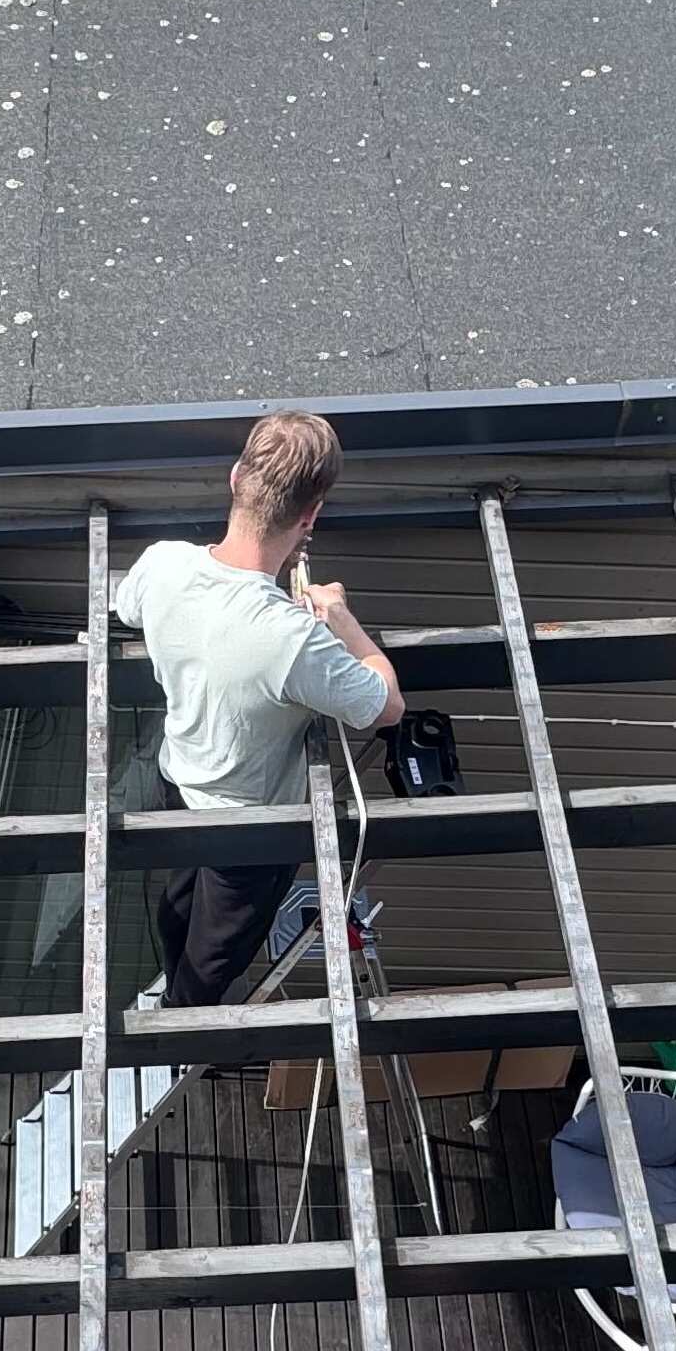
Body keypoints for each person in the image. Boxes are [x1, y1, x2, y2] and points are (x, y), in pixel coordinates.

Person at [113, 407, 402, 1008]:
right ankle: (185, 1018)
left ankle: (171, 990)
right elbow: (386, 705)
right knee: (215, 952)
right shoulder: (292, 639)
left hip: (181, 783)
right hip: (250, 829)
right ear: (310, 516)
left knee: (179, 906)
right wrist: (340, 618)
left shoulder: (164, 564)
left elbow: (127, 607)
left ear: (236, 478)